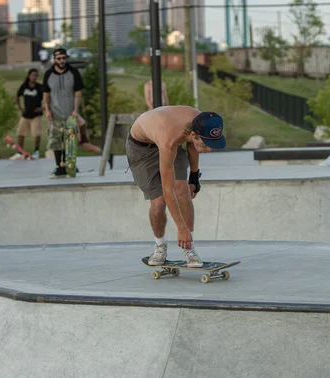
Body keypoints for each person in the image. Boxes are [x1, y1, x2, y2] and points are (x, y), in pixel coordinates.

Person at [126, 105, 226, 267]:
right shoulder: (169, 141)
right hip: (142, 148)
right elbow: (168, 190)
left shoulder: (203, 121)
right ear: (193, 134)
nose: (209, 150)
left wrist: (194, 177)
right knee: (158, 201)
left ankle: (190, 249)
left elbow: (193, 145)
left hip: (175, 137)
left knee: (183, 190)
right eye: (206, 144)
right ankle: (160, 246)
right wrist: (181, 228)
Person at [43, 48, 112, 176]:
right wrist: (47, 110)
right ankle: (59, 166)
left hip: (70, 114)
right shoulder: (48, 74)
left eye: (64, 58)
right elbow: (46, 95)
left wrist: (75, 110)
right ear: (54, 59)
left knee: (70, 141)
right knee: (56, 142)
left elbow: (78, 94)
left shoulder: (73, 72)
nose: (62, 61)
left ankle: (71, 166)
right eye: (59, 58)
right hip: (55, 113)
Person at [16, 68, 43, 159]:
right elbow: (17, 96)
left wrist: (42, 108)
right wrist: (20, 108)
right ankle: (20, 152)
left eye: (36, 75)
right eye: (33, 75)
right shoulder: (24, 86)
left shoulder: (39, 87)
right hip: (26, 114)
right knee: (20, 133)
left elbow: (48, 99)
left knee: (37, 134)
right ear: (29, 76)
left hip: (36, 115)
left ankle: (36, 151)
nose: (34, 77)